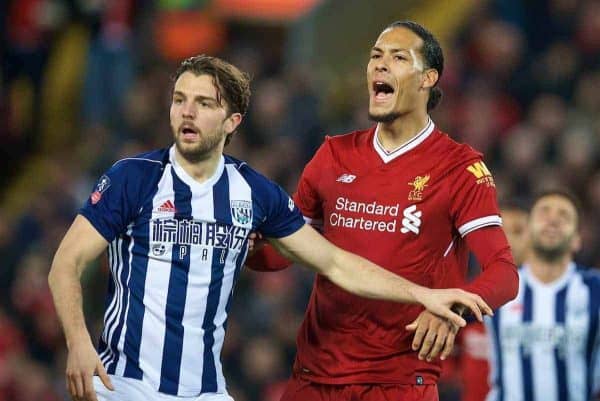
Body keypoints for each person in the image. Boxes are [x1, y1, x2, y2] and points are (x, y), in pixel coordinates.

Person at [47, 55, 492, 401]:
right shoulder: (134, 178)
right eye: (180, 99)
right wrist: (79, 342)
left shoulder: (254, 194)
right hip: (122, 382)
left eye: (204, 104)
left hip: (205, 388)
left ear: (232, 122)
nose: (187, 112)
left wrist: (423, 294)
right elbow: (65, 264)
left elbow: (334, 262)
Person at [246, 21, 519, 401]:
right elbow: (283, 252)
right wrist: (246, 248)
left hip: (400, 382)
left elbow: (504, 274)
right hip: (315, 376)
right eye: (375, 56)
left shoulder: (460, 168)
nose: (379, 65)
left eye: (398, 57)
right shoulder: (333, 155)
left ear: (428, 78)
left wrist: (450, 309)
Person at [486, 190, 600, 401]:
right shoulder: (496, 286)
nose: (553, 220)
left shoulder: (594, 289)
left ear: (577, 240)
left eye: (564, 216)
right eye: (544, 213)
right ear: (526, 232)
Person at [452, 201, 529, 401]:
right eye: (499, 231)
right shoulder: (461, 296)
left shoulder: (546, 305)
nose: (507, 239)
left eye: (517, 231)